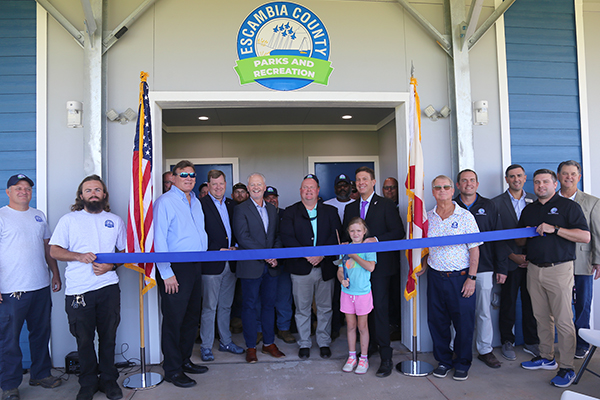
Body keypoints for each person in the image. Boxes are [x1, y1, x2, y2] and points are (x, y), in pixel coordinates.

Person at [49, 175, 125, 400]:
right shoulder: (69, 220)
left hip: (108, 287)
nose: (94, 193)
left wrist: (112, 265)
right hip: (79, 291)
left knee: (108, 337)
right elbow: (54, 250)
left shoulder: (115, 220)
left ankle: (109, 380)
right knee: (84, 339)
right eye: (88, 190)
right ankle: (88, 383)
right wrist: (78, 256)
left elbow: (124, 252)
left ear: (104, 195)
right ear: (81, 196)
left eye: (98, 190)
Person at [518, 169, 590, 388]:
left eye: (545, 182)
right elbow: (522, 242)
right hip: (534, 269)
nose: (540, 185)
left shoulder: (569, 206)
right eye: (537, 182)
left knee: (563, 320)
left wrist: (555, 229)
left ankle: (567, 367)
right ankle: (546, 357)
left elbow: (585, 236)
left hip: (559, 269)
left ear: (555, 184)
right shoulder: (529, 209)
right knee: (541, 317)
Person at [0, 174, 62, 400]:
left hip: (40, 286)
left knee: (40, 334)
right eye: (18, 188)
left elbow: (48, 249)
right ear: (8, 192)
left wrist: (55, 273)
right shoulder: (2, 217)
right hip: (11, 290)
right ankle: (9, 385)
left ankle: (41, 374)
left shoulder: (38, 216)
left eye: (27, 188)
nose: (23, 191)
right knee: (9, 339)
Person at [342, 166, 405, 378]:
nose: (361, 183)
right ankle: (369, 349)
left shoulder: (386, 204)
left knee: (380, 311)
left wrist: (376, 240)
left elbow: (398, 232)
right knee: (361, 314)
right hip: (355, 271)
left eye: (365, 179)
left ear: (373, 182)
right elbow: (346, 236)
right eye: (358, 180)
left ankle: (386, 357)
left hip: (379, 268)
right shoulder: (350, 208)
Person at [417, 175, 481, 381]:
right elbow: (426, 248)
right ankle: (444, 361)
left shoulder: (465, 217)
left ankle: (462, 363)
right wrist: (423, 265)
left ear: (453, 190)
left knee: (463, 323)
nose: (442, 190)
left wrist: (472, 277)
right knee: (438, 322)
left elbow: (474, 250)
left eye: (446, 187)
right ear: (433, 192)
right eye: (438, 187)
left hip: (461, 278)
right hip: (436, 278)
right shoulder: (428, 218)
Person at [154, 160, 209, 388]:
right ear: (173, 178)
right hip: (175, 268)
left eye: (192, 175)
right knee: (174, 321)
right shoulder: (165, 202)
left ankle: (185, 360)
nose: (188, 178)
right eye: (183, 174)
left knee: (190, 318)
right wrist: (166, 272)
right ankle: (172, 370)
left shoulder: (196, 201)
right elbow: (159, 238)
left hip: (196, 266)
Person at [280, 174, 341, 360]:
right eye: (305, 188)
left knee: (325, 308)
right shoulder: (290, 212)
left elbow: (336, 236)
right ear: (300, 191)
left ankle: (323, 342)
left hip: (325, 268)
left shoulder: (330, 211)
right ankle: (305, 343)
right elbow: (287, 237)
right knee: (302, 309)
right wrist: (308, 255)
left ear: (318, 191)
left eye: (311, 188)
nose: (308, 191)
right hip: (300, 268)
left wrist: (321, 254)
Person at [454, 169, 506, 369]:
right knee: (456, 311)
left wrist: (501, 267)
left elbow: (499, 238)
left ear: (477, 183)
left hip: (484, 267)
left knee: (483, 311)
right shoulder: (451, 205)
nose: (468, 184)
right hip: (456, 268)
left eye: (472, 180)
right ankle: (456, 348)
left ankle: (485, 349)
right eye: (464, 181)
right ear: (458, 185)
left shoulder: (489, 205)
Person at [233, 173, 285, 363]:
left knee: (269, 306)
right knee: (249, 307)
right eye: (252, 185)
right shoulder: (241, 209)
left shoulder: (272, 209)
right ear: (248, 188)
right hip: (250, 267)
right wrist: (266, 255)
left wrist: (275, 254)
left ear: (264, 187)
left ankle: (269, 343)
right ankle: (251, 346)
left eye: (259, 184)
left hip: (271, 267)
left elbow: (277, 235)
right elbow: (243, 237)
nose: (256, 187)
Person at [492, 164, 539, 361]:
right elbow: (496, 236)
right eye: (512, 176)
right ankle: (507, 341)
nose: (516, 179)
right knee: (508, 303)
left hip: (533, 262)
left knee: (532, 304)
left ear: (524, 178)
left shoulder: (536, 200)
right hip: (509, 262)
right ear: (506, 179)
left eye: (519, 175)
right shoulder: (496, 203)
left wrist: (531, 257)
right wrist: (512, 256)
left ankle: (531, 342)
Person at [198, 170, 244, 362]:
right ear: (208, 186)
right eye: (214, 184)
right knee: (209, 307)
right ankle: (206, 346)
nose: (218, 187)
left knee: (226, 306)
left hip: (231, 264)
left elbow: (239, 230)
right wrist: (217, 249)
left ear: (226, 184)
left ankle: (226, 341)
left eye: (221, 184)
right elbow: (197, 235)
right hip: (211, 264)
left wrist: (237, 246)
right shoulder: (199, 205)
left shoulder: (232, 205)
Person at [556, 160, 600, 359]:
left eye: (573, 174)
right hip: (557, 261)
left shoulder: (592, 202)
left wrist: (598, 260)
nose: (569, 177)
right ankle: (563, 343)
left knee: (582, 303)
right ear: (558, 176)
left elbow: (597, 234)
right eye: (565, 174)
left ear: (579, 177)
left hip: (583, 262)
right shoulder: (551, 201)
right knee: (559, 304)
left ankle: (582, 343)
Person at [338, 217, 376, 375]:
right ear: (348, 232)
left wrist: (354, 255)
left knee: (362, 327)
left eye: (358, 230)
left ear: (364, 232)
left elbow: (371, 267)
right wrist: (342, 280)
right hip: (347, 293)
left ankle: (364, 358)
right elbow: (340, 270)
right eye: (352, 231)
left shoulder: (369, 247)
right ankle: (352, 356)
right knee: (351, 326)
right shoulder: (345, 248)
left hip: (363, 294)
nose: (355, 234)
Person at [263, 186, 295, 344]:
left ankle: (284, 328)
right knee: (261, 299)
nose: (271, 200)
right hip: (262, 263)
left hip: (282, 264)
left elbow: (285, 236)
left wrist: (275, 255)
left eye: (274, 197)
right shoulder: (259, 213)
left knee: (284, 298)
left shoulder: (285, 214)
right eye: (268, 197)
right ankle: (260, 330)